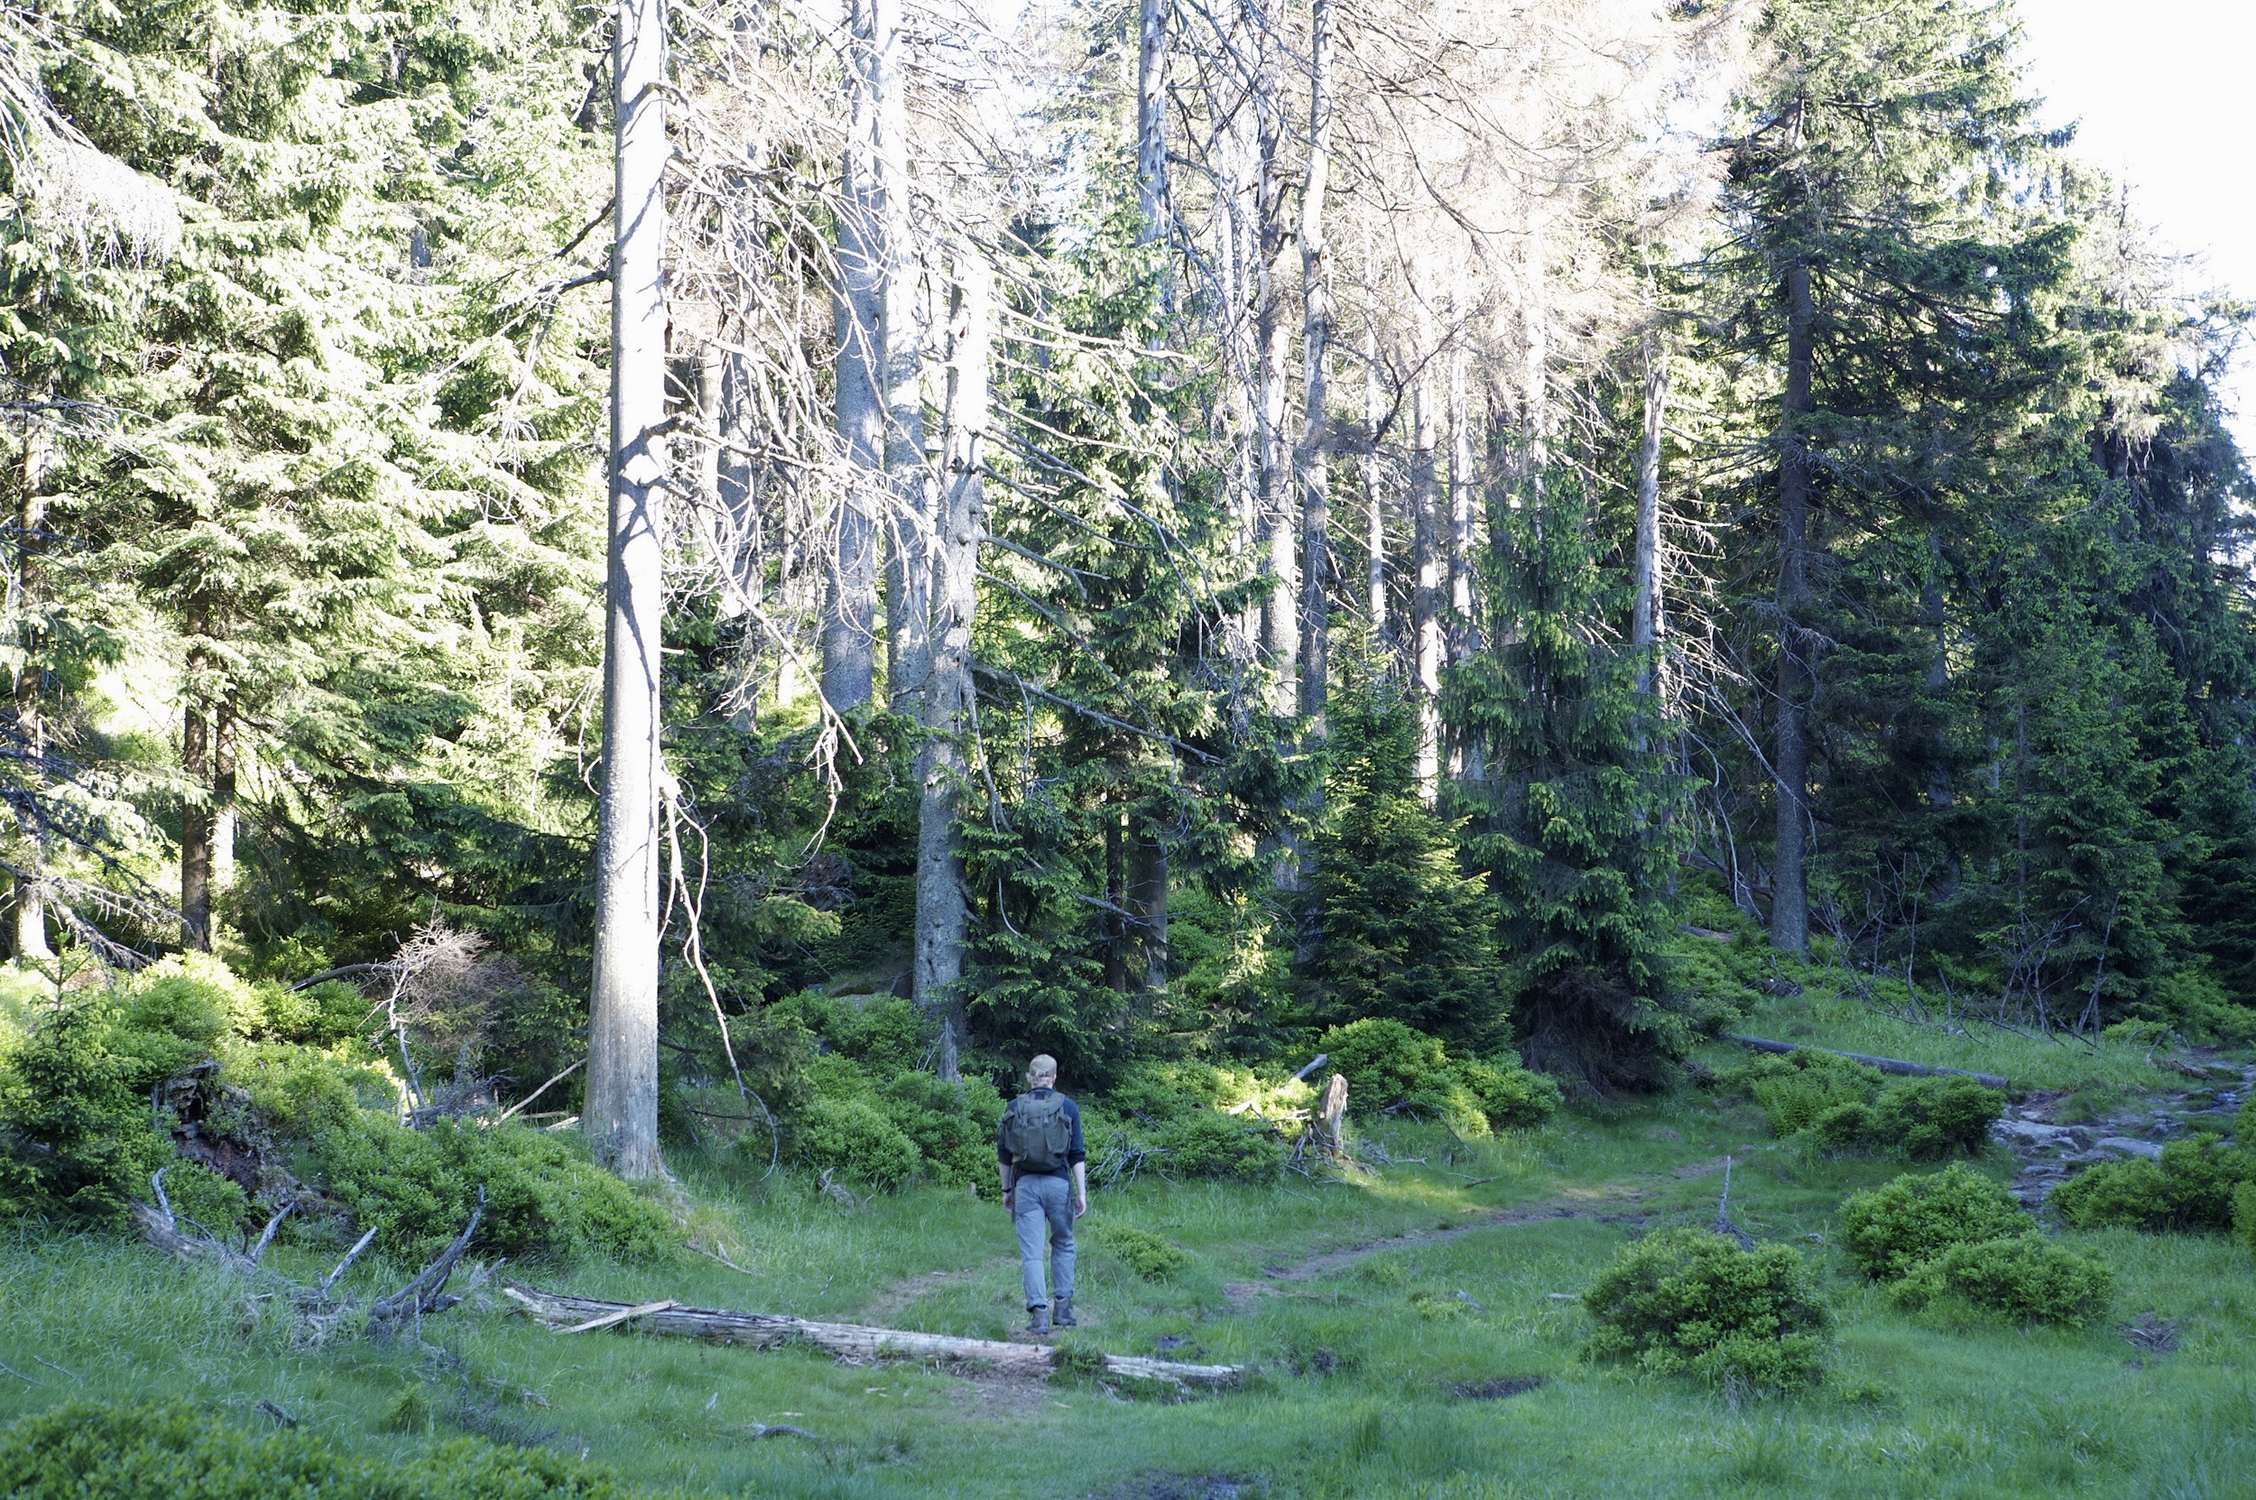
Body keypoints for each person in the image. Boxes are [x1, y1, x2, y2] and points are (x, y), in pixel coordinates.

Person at [996, 1053, 1086, 1334]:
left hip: (1025, 1186)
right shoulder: (1067, 1106)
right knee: (1063, 1244)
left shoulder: (1014, 1107)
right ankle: (1063, 1309)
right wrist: (1081, 1193)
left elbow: (1004, 1155)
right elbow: (1077, 1154)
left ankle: (1038, 1316)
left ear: (1030, 1077)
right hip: (1058, 1184)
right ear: (1054, 1078)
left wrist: (1006, 1189)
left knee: (1032, 1254)